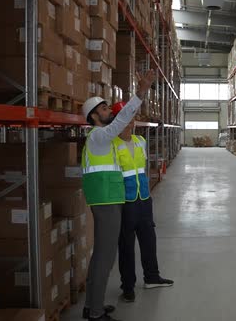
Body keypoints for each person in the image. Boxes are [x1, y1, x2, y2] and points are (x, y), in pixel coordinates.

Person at [81, 70, 156, 321]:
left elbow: (126, 125)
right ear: (94, 116)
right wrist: (140, 93)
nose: (107, 111)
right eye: (103, 109)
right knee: (105, 257)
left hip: (109, 199)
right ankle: (95, 312)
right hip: (106, 201)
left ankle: (91, 304)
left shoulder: (103, 140)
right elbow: (122, 120)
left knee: (101, 255)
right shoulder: (99, 136)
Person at [110, 101, 174, 303]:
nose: (129, 124)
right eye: (124, 120)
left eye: (131, 120)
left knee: (149, 240)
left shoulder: (140, 141)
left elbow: (142, 170)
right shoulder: (112, 145)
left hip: (144, 199)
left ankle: (152, 277)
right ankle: (127, 286)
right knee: (126, 245)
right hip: (125, 201)